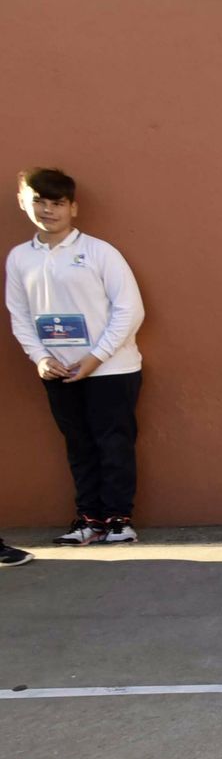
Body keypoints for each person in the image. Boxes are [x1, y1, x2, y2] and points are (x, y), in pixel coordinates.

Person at [7, 167, 145, 545]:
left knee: (113, 444)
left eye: (57, 203)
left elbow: (130, 310)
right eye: (39, 201)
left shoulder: (99, 252)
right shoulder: (20, 259)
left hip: (112, 370)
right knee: (78, 446)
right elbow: (19, 316)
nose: (48, 210)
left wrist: (96, 357)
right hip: (59, 373)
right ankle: (89, 520)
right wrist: (39, 357)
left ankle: (118, 519)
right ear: (24, 203)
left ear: (73, 208)